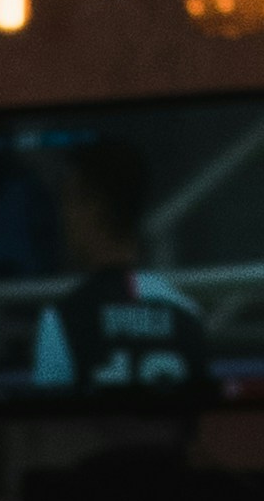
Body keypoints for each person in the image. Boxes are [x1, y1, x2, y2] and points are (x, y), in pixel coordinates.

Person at [25, 132, 214, 400]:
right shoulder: (187, 315)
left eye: (69, 201)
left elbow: (51, 430)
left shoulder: (63, 321)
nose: (64, 217)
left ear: (94, 208)